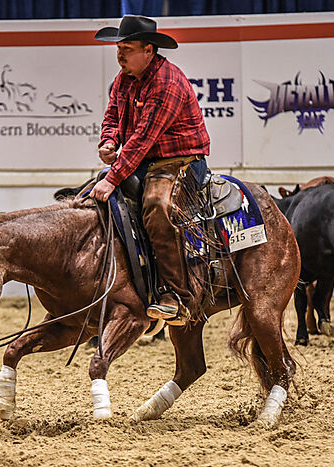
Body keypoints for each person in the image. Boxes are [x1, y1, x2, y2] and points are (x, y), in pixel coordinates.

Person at [91, 15, 211, 326]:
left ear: (148, 50)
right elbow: (113, 116)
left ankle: (177, 295)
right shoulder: (124, 79)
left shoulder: (167, 82)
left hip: (180, 160)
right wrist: (108, 140)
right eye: (118, 48)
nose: (120, 55)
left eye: (127, 49)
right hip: (146, 161)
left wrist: (112, 177)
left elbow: (144, 137)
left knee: (157, 206)